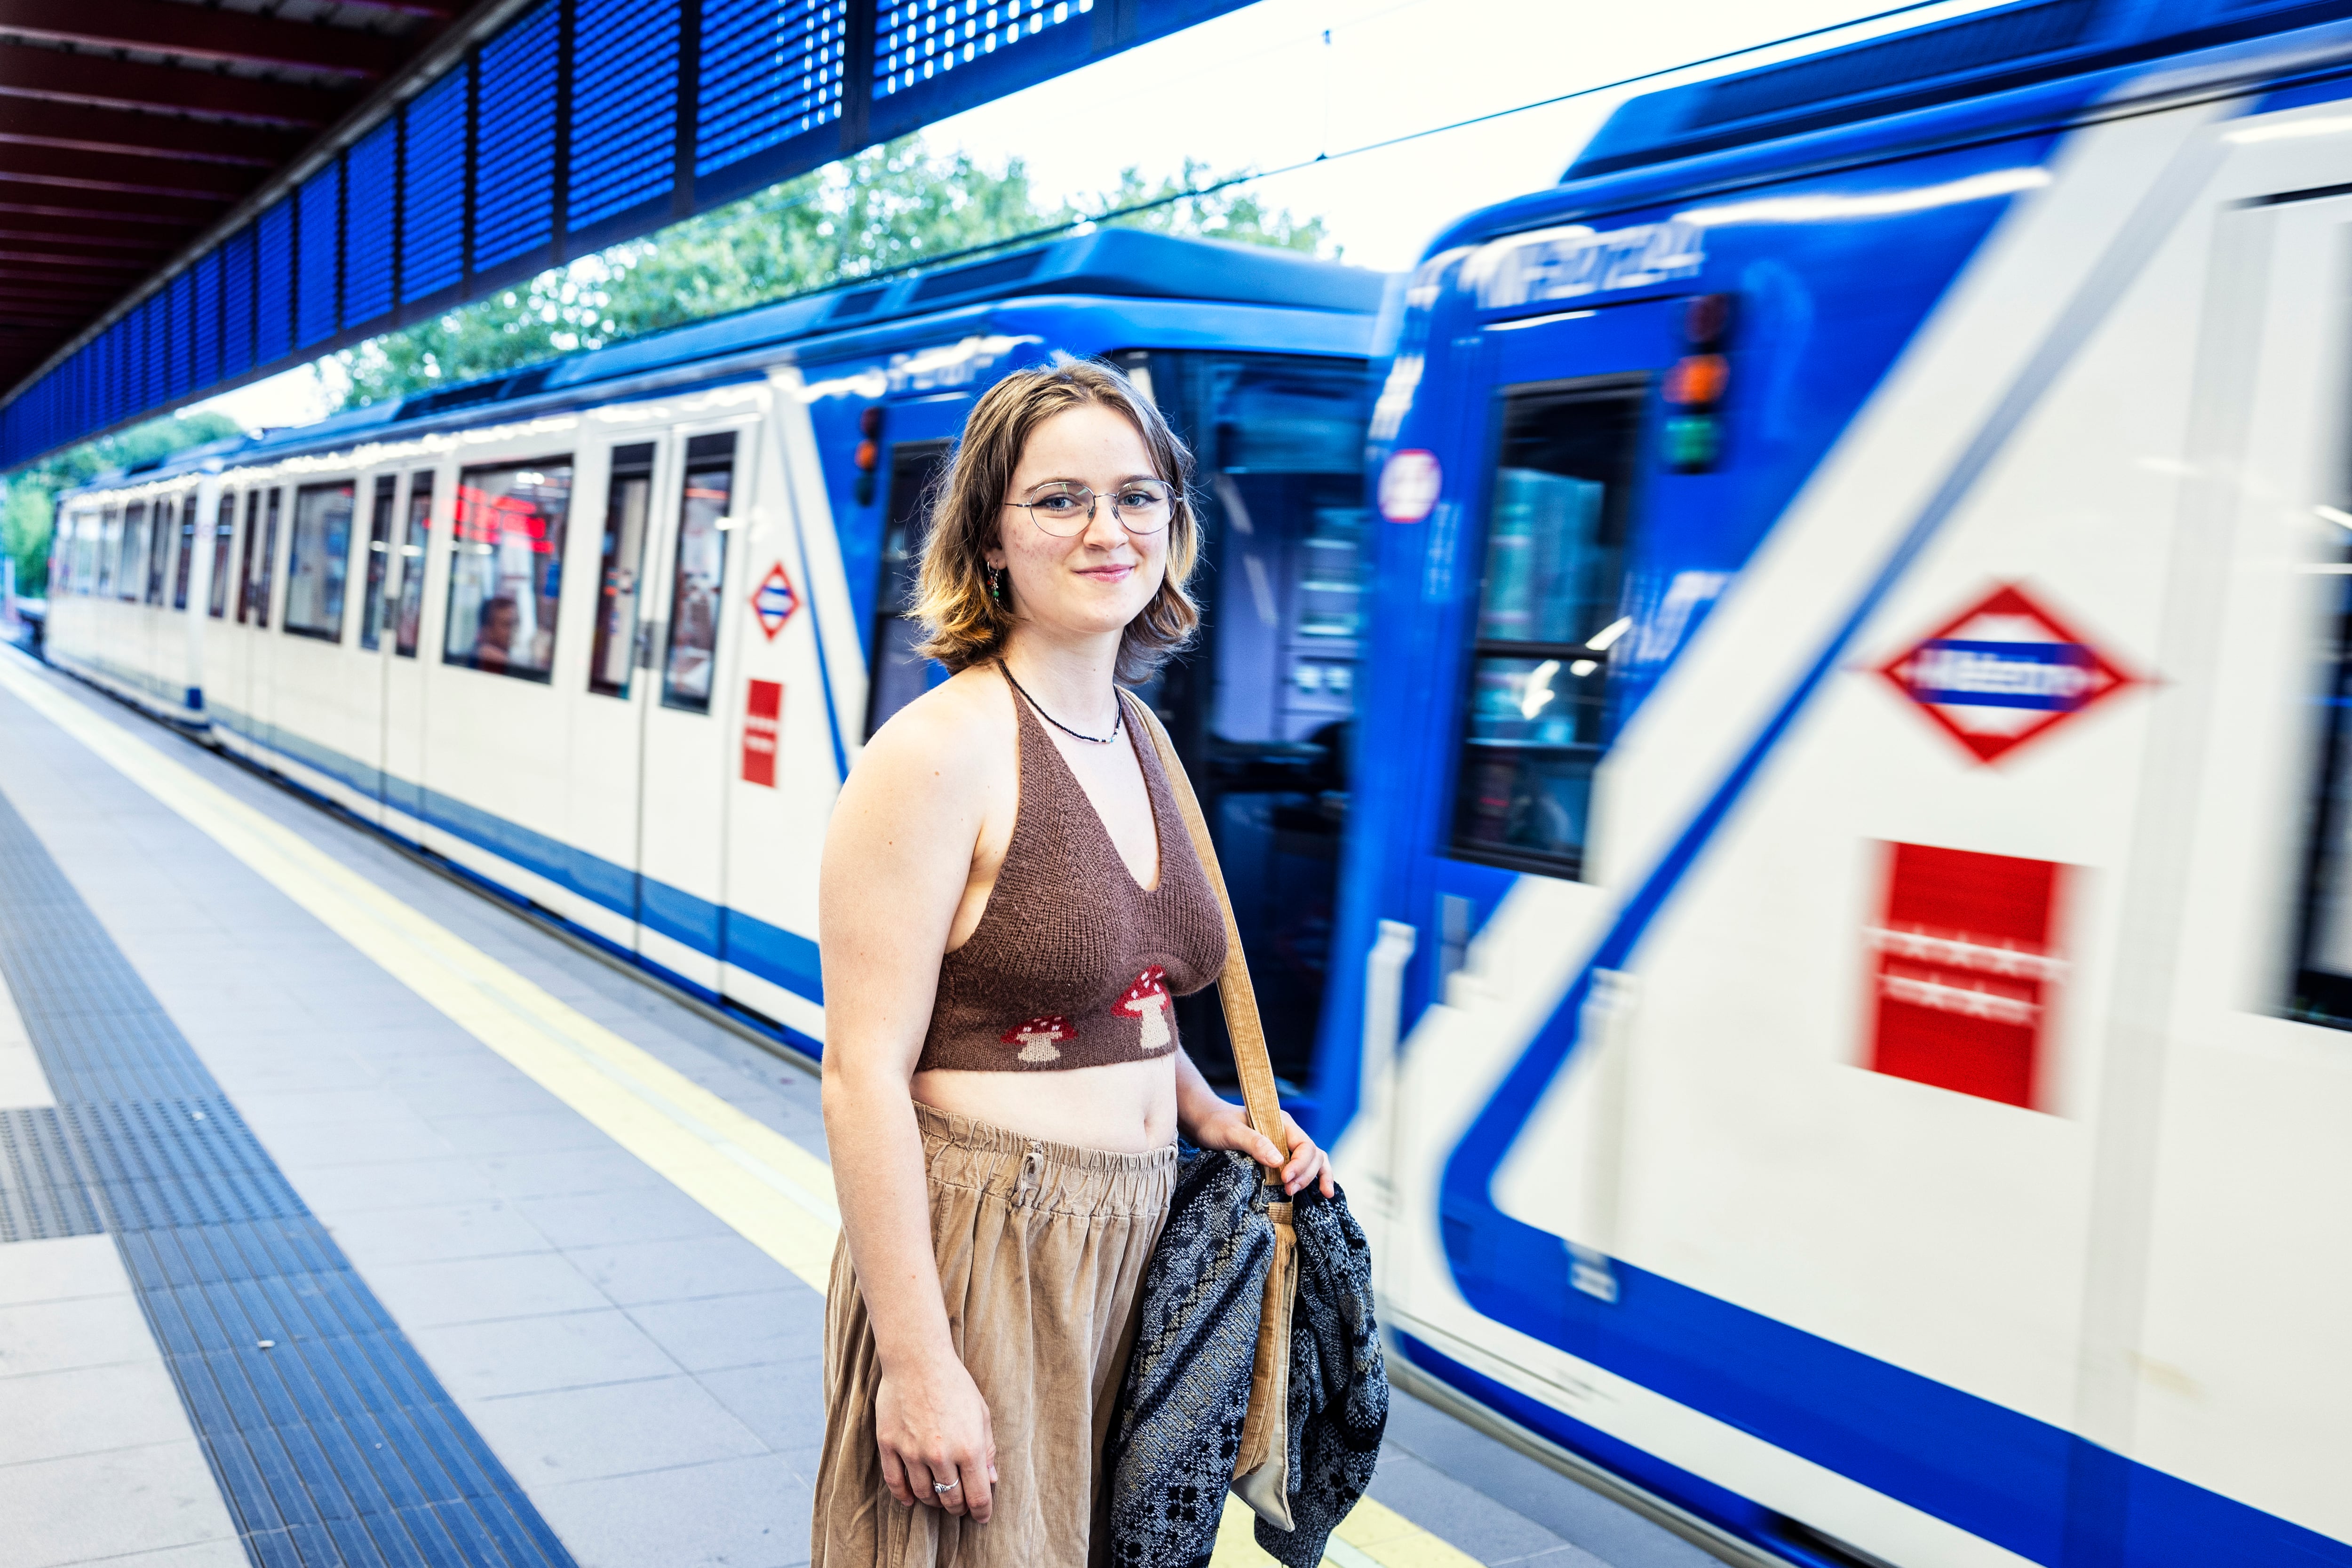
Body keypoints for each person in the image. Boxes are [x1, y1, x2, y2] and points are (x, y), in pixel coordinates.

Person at [813, 360, 1335, 1567]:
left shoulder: (1139, 731)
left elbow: (1135, 980)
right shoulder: (935, 756)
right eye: (1059, 500)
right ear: (989, 540)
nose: (1108, 529)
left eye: (1138, 496)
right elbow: (860, 1074)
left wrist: (1210, 1111)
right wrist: (919, 1361)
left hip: (1142, 1244)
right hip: (989, 1248)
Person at [470, 595, 518, 672]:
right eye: (507, 625)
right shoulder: (488, 656)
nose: (513, 631)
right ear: (487, 629)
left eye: (515, 623)